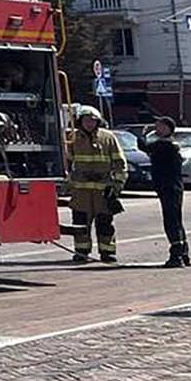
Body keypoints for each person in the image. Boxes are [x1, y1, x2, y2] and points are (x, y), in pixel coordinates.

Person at [68, 105, 127, 263]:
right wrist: (68, 184)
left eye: (93, 121)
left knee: (105, 224)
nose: (89, 123)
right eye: (86, 120)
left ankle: (107, 252)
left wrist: (117, 186)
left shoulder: (108, 137)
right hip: (81, 192)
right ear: (80, 121)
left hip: (103, 191)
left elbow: (119, 163)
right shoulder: (71, 137)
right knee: (80, 224)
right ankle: (81, 252)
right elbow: (65, 162)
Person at [148, 115, 191, 268]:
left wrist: (143, 134)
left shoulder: (166, 145)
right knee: (176, 220)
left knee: (171, 221)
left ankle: (176, 255)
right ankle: (184, 253)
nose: (155, 129)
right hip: (172, 186)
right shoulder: (170, 144)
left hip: (169, 187)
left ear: (167, 128)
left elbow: (145, 147)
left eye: (158, 126)